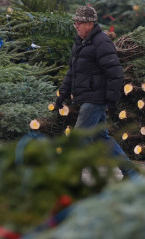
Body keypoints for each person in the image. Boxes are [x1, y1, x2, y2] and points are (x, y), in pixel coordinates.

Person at [54, 5, 140, 179]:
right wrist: (61, 95)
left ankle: (69, 179)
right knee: (102, 138)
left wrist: (113, 103)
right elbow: (72, 72)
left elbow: (115, 74)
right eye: (75, 23)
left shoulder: (102, 42)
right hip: (87, 97)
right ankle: (130, 172)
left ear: (90, 23)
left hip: (95, 99)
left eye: (79, 23)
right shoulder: (80, 43)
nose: (76, 26)